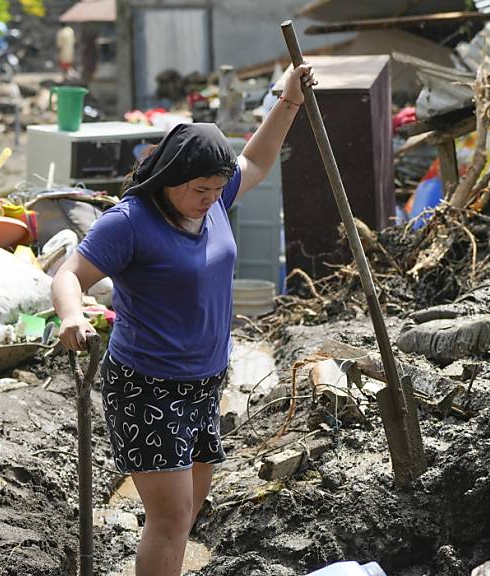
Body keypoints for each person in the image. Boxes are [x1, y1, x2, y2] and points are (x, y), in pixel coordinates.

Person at [52, 64, 315, 576]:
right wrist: (69, 315)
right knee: (170, 517)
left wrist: (290, 101)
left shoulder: (212, 199)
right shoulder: (130, 223)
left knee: (187, 513)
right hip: (148, 385)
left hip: (204, 380)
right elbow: (69, 273)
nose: (212, 198)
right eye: (201, 190)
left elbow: (257, 159)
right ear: (172, 178)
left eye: (218, 190)